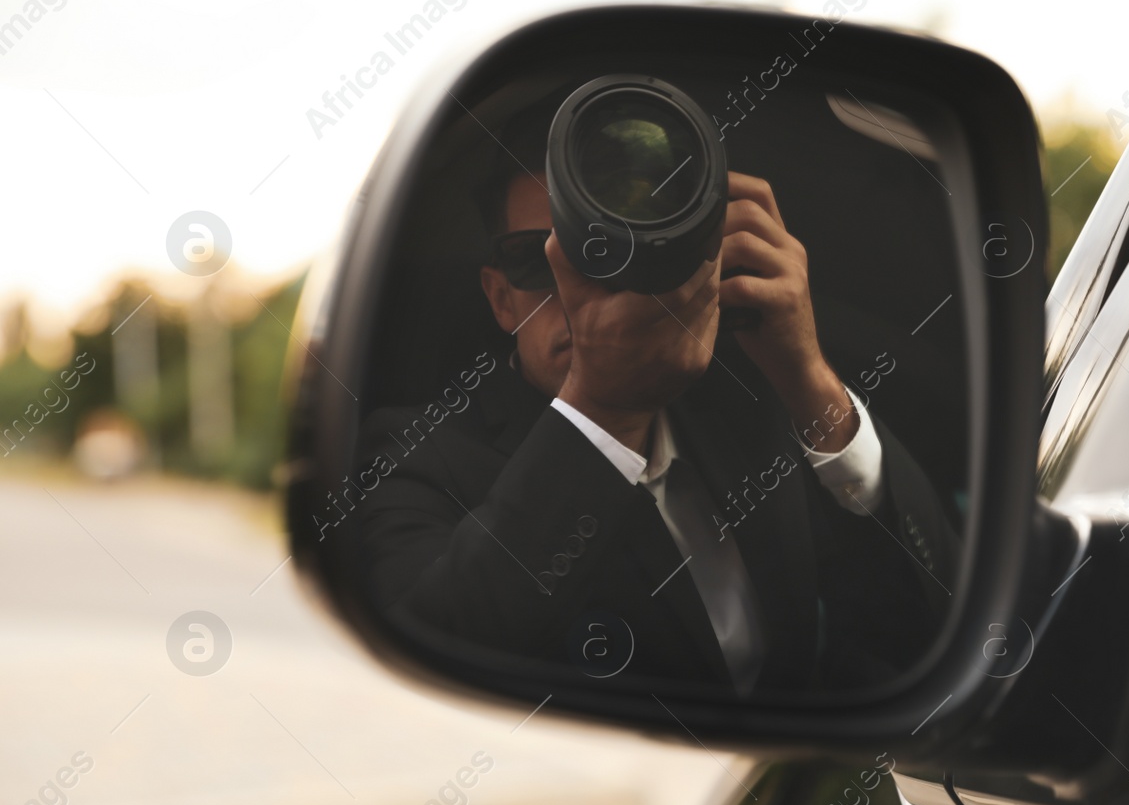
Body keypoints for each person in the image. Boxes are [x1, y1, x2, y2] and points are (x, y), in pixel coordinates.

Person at [355, 116, 954, 694]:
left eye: (613, 249)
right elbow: (429, 638)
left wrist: (807, 377)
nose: (583, 289)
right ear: (500, 299)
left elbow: (924, 623)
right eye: (538, 259)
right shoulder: (417, 452)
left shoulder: (755, 410)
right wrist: (604, 406)